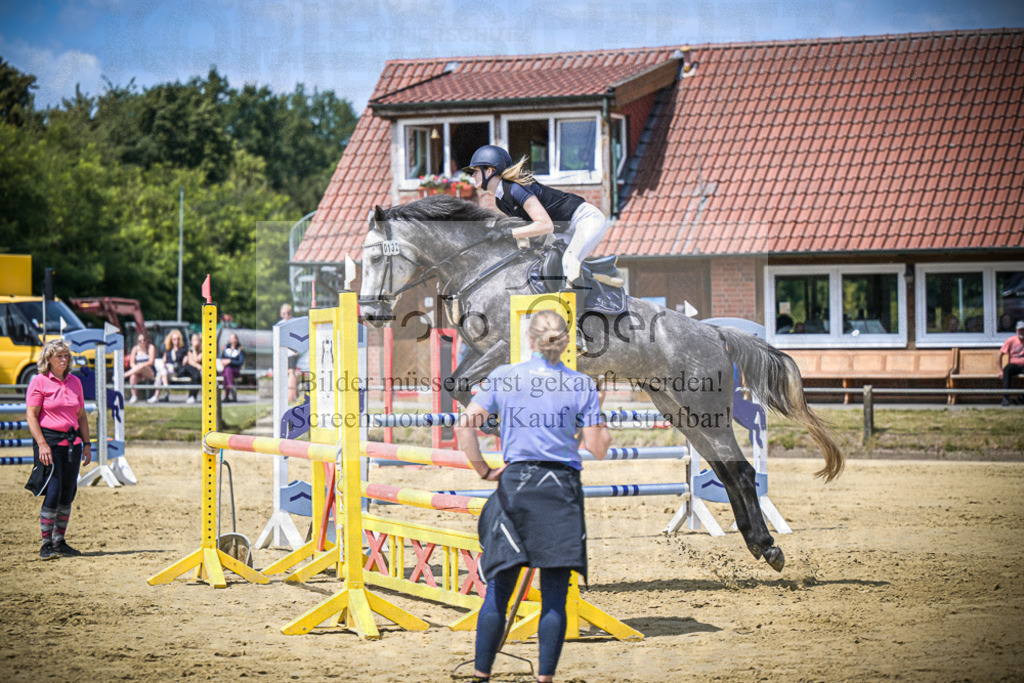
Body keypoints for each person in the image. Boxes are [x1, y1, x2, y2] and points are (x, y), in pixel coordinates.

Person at [454, 310, 611, 683]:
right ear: (567, 342)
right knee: (554, 591)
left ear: (529, 339)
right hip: (560, 490)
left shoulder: (504, 377)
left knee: (499, 588)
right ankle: (545, 678)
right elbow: (598, 448)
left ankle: (481, 674)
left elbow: (465, 427)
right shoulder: (581, 385)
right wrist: (598, 407)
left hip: (517, 484)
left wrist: (484, 470)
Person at [462, 145, 608, 288]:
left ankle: (575, 311)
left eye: (476, 171)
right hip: (565, 229)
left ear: (489, 171)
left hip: (585, 219)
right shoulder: (501, 201)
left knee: (569, 260)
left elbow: (545, 225)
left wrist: (507, 233)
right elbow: (529, 229)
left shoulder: (516, 189)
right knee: (549, 263)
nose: (473, 175)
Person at [24, 339, 91, 559]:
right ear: (49, 359)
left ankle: (60, 541)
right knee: (52, 492)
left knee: (67, 493)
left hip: (72, 443)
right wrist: (42, 444)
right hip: (50, 443)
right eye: (59, 356)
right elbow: (31, 416)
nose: (64, 359)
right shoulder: (39, 382)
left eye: (66, 356)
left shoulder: (75, 382)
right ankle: (46, 544)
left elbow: (81, 416)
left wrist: (88, 444)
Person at [149, 329, 187, 403]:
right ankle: (164, 391)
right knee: (162, 373)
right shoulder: (168, 350)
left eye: (178, 339)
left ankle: (157, 395)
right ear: (171, 340)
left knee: (161, 373)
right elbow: (164, 361)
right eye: (174, 339)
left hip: (176, 370)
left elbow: (184, 362)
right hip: (166, 371)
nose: (176, 341)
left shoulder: (183, 350)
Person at [125, 332, 156, 404]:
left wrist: (141, 365)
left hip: (149, 371)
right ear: (137, 342)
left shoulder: (150, 347)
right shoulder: (135, 349)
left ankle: (123, 375)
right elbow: (132, 363)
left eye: (144, 340)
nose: (142, 342)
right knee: (133, 377)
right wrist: (137, 368)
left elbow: (151, 362)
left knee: (141, 366)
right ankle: (134, 396)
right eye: (140, 341)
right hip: (138, 372)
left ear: (147, 340)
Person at [999, 320, 1024, 406]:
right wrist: (1000, 370)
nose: (1022, 332)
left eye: (1023, 330)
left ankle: (1021, 398)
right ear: (1016, 330)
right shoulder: (1011, 340)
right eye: (1020, 330)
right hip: (1014, 365)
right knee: (1007, 370)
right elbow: (1000, 355)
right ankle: (1006, 398)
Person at [279, 303, 299, 403]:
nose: (286, 315)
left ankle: (291, 395)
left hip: (291, 353)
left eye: (288, 313)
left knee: (291, 372)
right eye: (284, 313)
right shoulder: (279, 324)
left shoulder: (295, 323)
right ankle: (285, 394)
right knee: (283, 373)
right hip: (283, 353)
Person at [219, 332, 245, 403]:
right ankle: (229, 392)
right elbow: (222, 359)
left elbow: (240, 362)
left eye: (234, 338)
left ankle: (229, 391)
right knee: (225, 373)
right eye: (232, 339)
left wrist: (230, 361)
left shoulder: (239, 350)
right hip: (226, 370)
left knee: (228, 370)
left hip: (235, 370)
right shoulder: (226, 350)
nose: (233, 340)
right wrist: (224, 361)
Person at [181, 333, 204, 404]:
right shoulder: (190, 350)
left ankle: (192, 396)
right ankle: (191, 396)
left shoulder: (202, 351)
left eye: (195, 340)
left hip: (197, 371)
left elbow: (197, 359)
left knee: (196, 376)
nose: (194, 342)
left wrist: (194, 351)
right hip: (190, 368)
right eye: (192, 340)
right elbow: (191, 361)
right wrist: (198, 366)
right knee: (195, 374)